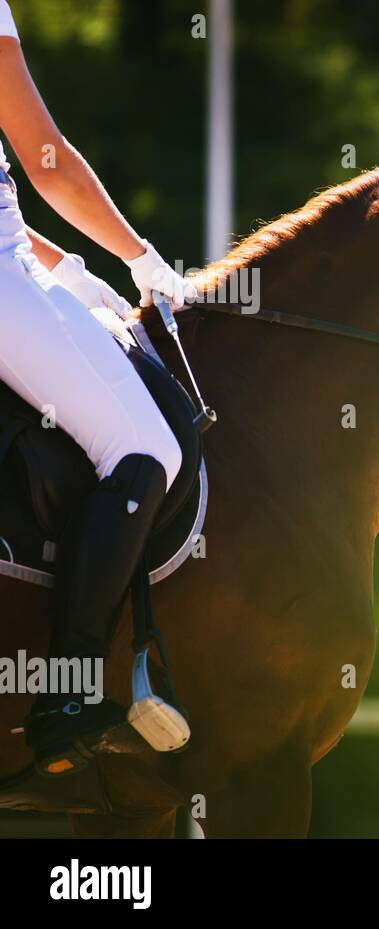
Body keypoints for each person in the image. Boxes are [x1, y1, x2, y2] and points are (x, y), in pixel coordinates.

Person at [0, 2, 196, 776]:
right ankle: (66, 696)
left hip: (18, 265)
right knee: (145, 446)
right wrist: (141, 258)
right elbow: (43, 158)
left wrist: (76, 275)